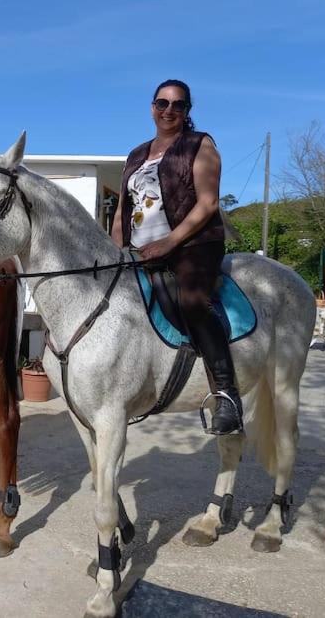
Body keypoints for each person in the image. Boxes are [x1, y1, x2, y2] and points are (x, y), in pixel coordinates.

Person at [111, 79, 242, 434]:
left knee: (194, 302)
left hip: (193, 246)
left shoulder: (200, 145)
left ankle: (227, 395)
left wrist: (169, 243)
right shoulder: (136, 154)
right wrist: (115, 250)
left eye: (178, 105)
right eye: (162, 103)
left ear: (187, 112)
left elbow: (208, 203)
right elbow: (125, 206)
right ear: (152, 107)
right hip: (140, 250)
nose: (169, 110)